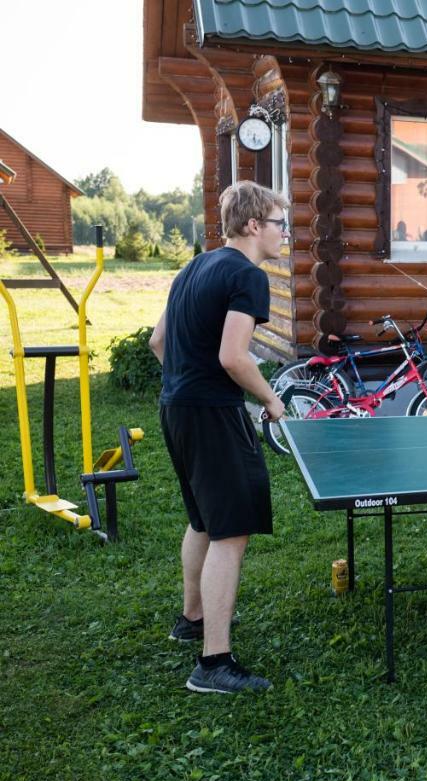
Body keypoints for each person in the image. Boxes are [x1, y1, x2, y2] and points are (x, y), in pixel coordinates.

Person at [149, 181, 288, 693]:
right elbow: (234, 357)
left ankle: (193, 619)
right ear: (254, 225)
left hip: (177, 409)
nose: (284, 234)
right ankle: (213, 664)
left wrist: (187, 385)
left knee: (203, 520)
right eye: (279, 224)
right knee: (231, 532)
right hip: (210, 414)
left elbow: (158, 340)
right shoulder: (248, 276)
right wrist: (270, 399)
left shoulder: (194, 267)